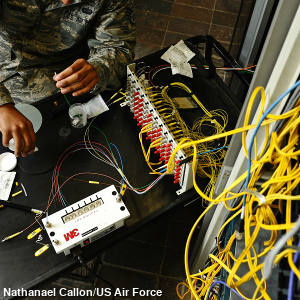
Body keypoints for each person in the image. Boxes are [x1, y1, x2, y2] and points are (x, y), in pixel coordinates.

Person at [0, 0, 135, 157]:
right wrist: (2, 104)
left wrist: (99, 68)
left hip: (61, 76)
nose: (66, 2)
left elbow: (119, 47)